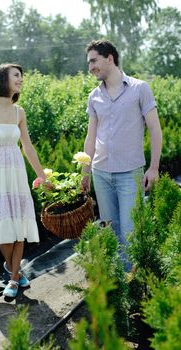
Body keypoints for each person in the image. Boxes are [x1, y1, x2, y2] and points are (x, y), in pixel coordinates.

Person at [82, 40, 162, 270]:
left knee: (130, 231)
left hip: (130, 173)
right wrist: (85, 172)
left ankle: (132, 285)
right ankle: (119, 284)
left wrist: (154, 167)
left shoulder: (139, 88)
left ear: (110, 58)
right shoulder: (94, 96)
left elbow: (155, 130)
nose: (90, 67)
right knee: (110, 230)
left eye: (94, 61)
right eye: (89, 62)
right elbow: (91, 136)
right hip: (101, 173)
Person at [0, 63, 47, 298]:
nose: (21, 79)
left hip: (14, 171)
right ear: (3, 79)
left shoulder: (18, 112)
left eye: (21, 76)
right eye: (16, 76)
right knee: (1, 223)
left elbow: (28, 147)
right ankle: (15, 269)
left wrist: (42, 175)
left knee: (18, 221)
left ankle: (13, 279)